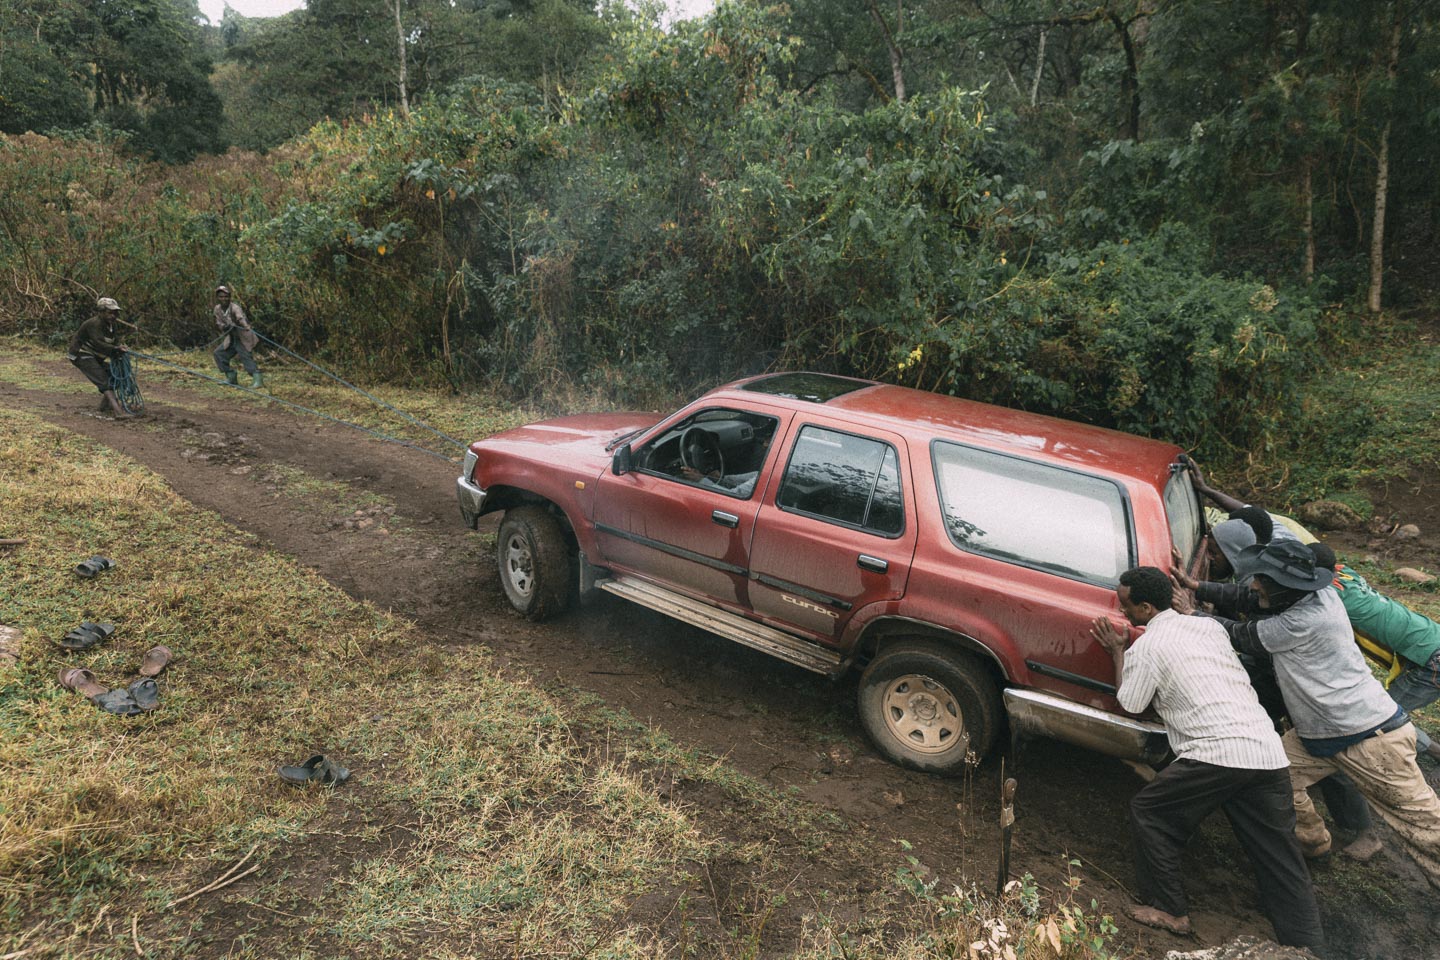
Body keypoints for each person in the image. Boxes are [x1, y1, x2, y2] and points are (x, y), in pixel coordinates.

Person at [1089, 567, 1324, 950]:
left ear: (1146, 608)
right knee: (1280, 857)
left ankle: (1170, 909)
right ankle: (1307, 947)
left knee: (1151, 813)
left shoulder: (1147, 647)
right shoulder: (1209, 629)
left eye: (1126, 604)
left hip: (1215, 754)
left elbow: (1131, 704)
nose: (1122, 610)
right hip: (1266, 751)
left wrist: (1118, 651)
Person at [1206, 538, 1440, 883]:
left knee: (1425, 830)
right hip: (1323, 734)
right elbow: (1249, 598)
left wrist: (1189, 613)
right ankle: (1312, 842)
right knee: (1271, 773)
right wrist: (1197, 586)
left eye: (1263, 579)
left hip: (1370, 739)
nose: (1255, 584)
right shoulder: (1314, 594)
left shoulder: (1303, 620)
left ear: (1287, 588)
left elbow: (1243, 636)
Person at [1309, 542, 1440, 766]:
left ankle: (1434, 752)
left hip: (1430, 659)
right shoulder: (1344, 572)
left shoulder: (1330, 598)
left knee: (1377, 718)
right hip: (1429, 637)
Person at [67, 297, 132, 419]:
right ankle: (119, 412)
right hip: (81, 354)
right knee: (103, 380)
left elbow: (115, 341)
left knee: (116, 375)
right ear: (101, 312)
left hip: (96, 356)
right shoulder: (94, 323)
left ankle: (104, 407)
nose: (113, 316)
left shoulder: (112, 325)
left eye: (116, 313)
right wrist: (115, 349)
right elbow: (98, 343)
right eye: (110, 312)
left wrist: (119, 347)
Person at [212, 285, 263, 388]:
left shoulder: (235, 307)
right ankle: (231, 378)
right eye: (221, 296)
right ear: (217, 298)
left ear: (230, 297)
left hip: (243, 336)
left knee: (245, 357)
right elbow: (218, 323)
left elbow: (240, 318)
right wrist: (225, 327)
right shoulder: (217, 309)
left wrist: (246, 326)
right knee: (219, 354)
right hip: (231, 337)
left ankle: (258, 381)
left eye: (226, 296)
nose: (224, 299)